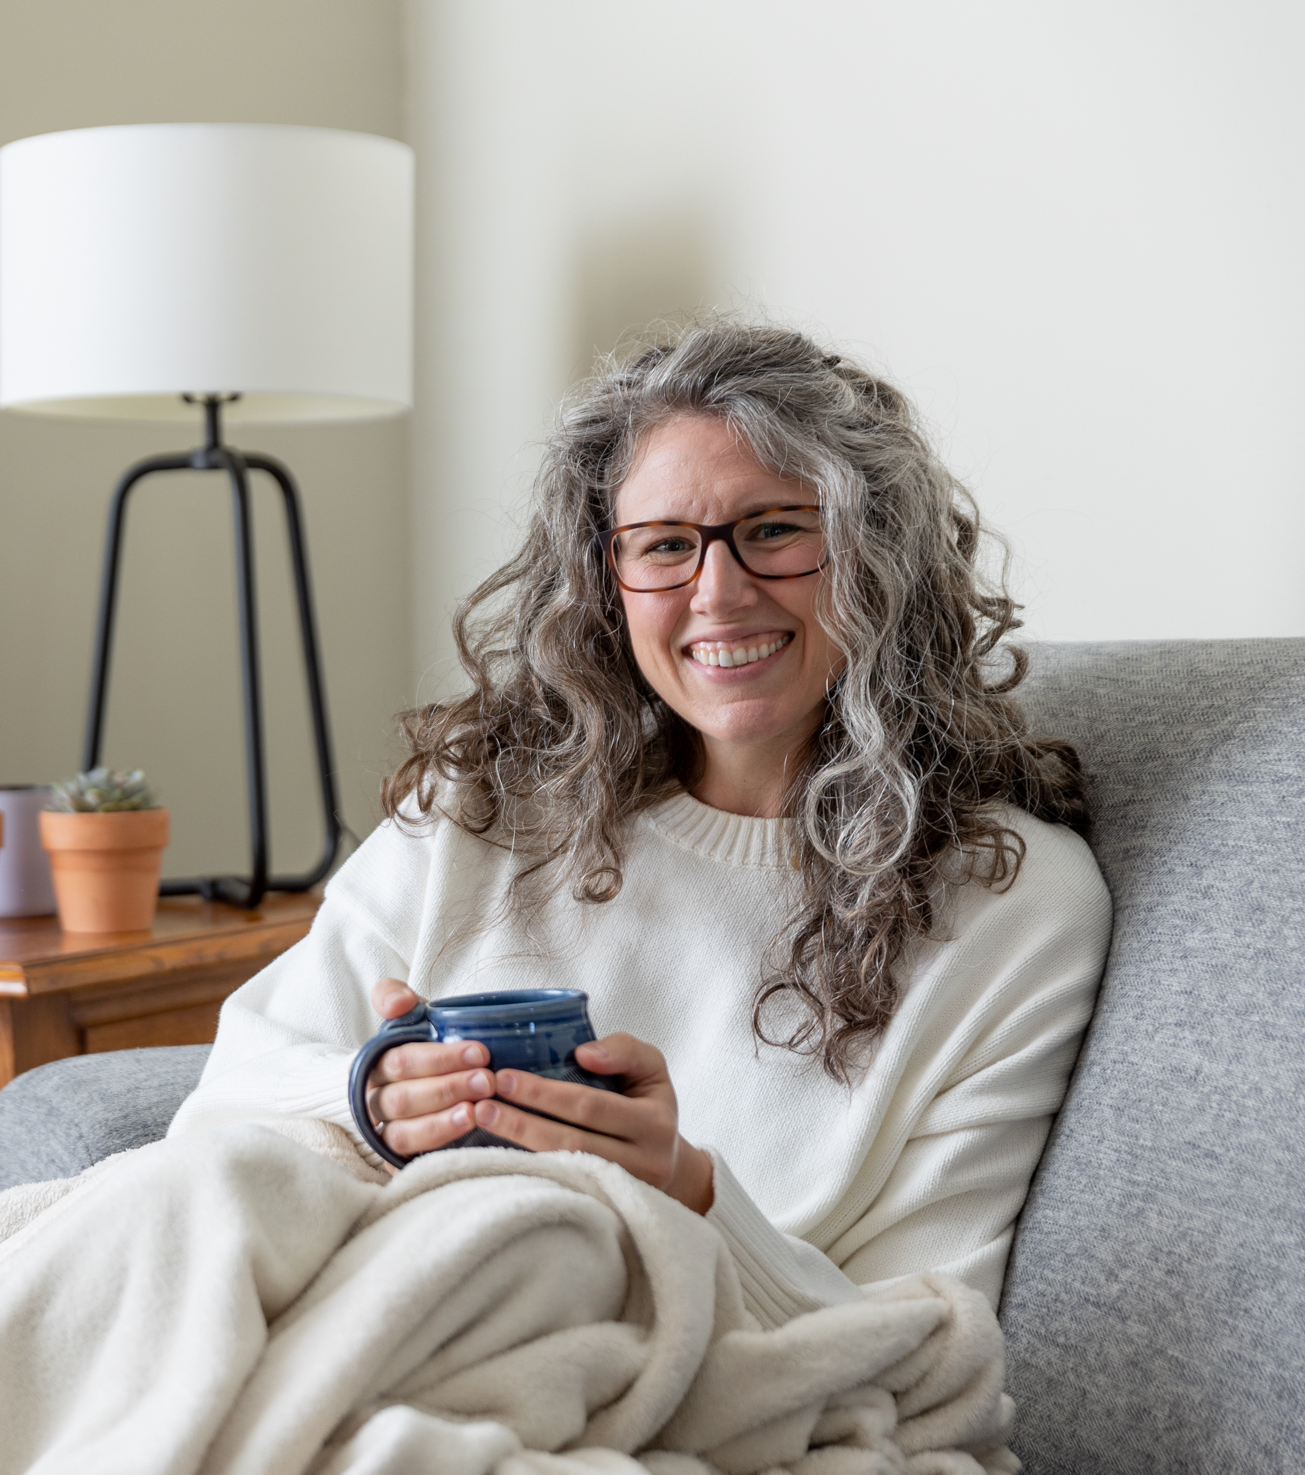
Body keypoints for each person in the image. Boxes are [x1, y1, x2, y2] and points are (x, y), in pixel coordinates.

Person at [168, 321, 1110, 1329]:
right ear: (603, 586)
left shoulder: (1013, 906)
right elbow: (222, 1110)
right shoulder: (481, 809)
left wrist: (685, 1192)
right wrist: (372, 1098)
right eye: (664, 545)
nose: (719, 592)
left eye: (776, 528)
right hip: (362, 1303)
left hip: (641, 1382)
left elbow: (928, 1342)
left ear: (877, 555)